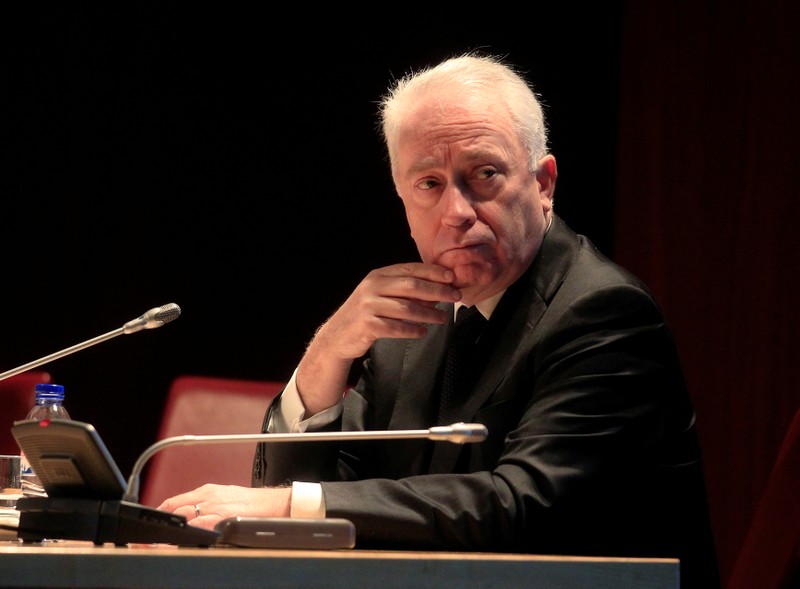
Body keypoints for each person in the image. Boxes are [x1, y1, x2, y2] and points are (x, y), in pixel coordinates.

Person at [158, 52, 719, 588]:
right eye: (429, 184)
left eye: (485, 175)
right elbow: (325, 494)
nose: (456, 213)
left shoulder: (604, 315)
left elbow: (519, 506)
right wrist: (326, 352)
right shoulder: (410, 323)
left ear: (543, 184)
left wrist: (287, 505)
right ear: (404, 201)